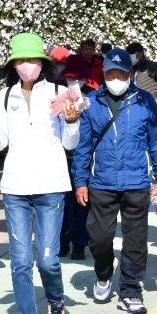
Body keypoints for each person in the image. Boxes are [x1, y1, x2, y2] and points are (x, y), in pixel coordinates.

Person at [0, 32, 83, 314]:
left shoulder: (62, 92)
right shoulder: (5, 95)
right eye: (21, 60)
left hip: (51, 186)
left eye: (32, 60)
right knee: (21, 260)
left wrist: (74, 120)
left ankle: (54, 301)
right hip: (16, 188)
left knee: (48, 259)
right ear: (13, 64)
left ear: (42, 62)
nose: (27, 66)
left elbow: (71, 143)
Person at [71, 48, 157, 314]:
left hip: (136, 181)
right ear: (103, 75)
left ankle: (130, 290)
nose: (115, 79)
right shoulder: (91, 103)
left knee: (136, 240)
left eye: (121, 74)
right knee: (99, 238)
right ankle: (104, 273)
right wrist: (80, 180)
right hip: (101, 182)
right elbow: (83, 146)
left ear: (131, 74)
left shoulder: (145, 101)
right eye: (110, 74)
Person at [58, 54, 95, 259]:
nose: (73, 82)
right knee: (62, 204)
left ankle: (80, 243)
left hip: (85, 158)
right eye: (70, 78)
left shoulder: (93, 97)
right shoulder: (58, 96)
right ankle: (63, 242)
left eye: (77, 78)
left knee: (83, 203)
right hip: (62, 158)